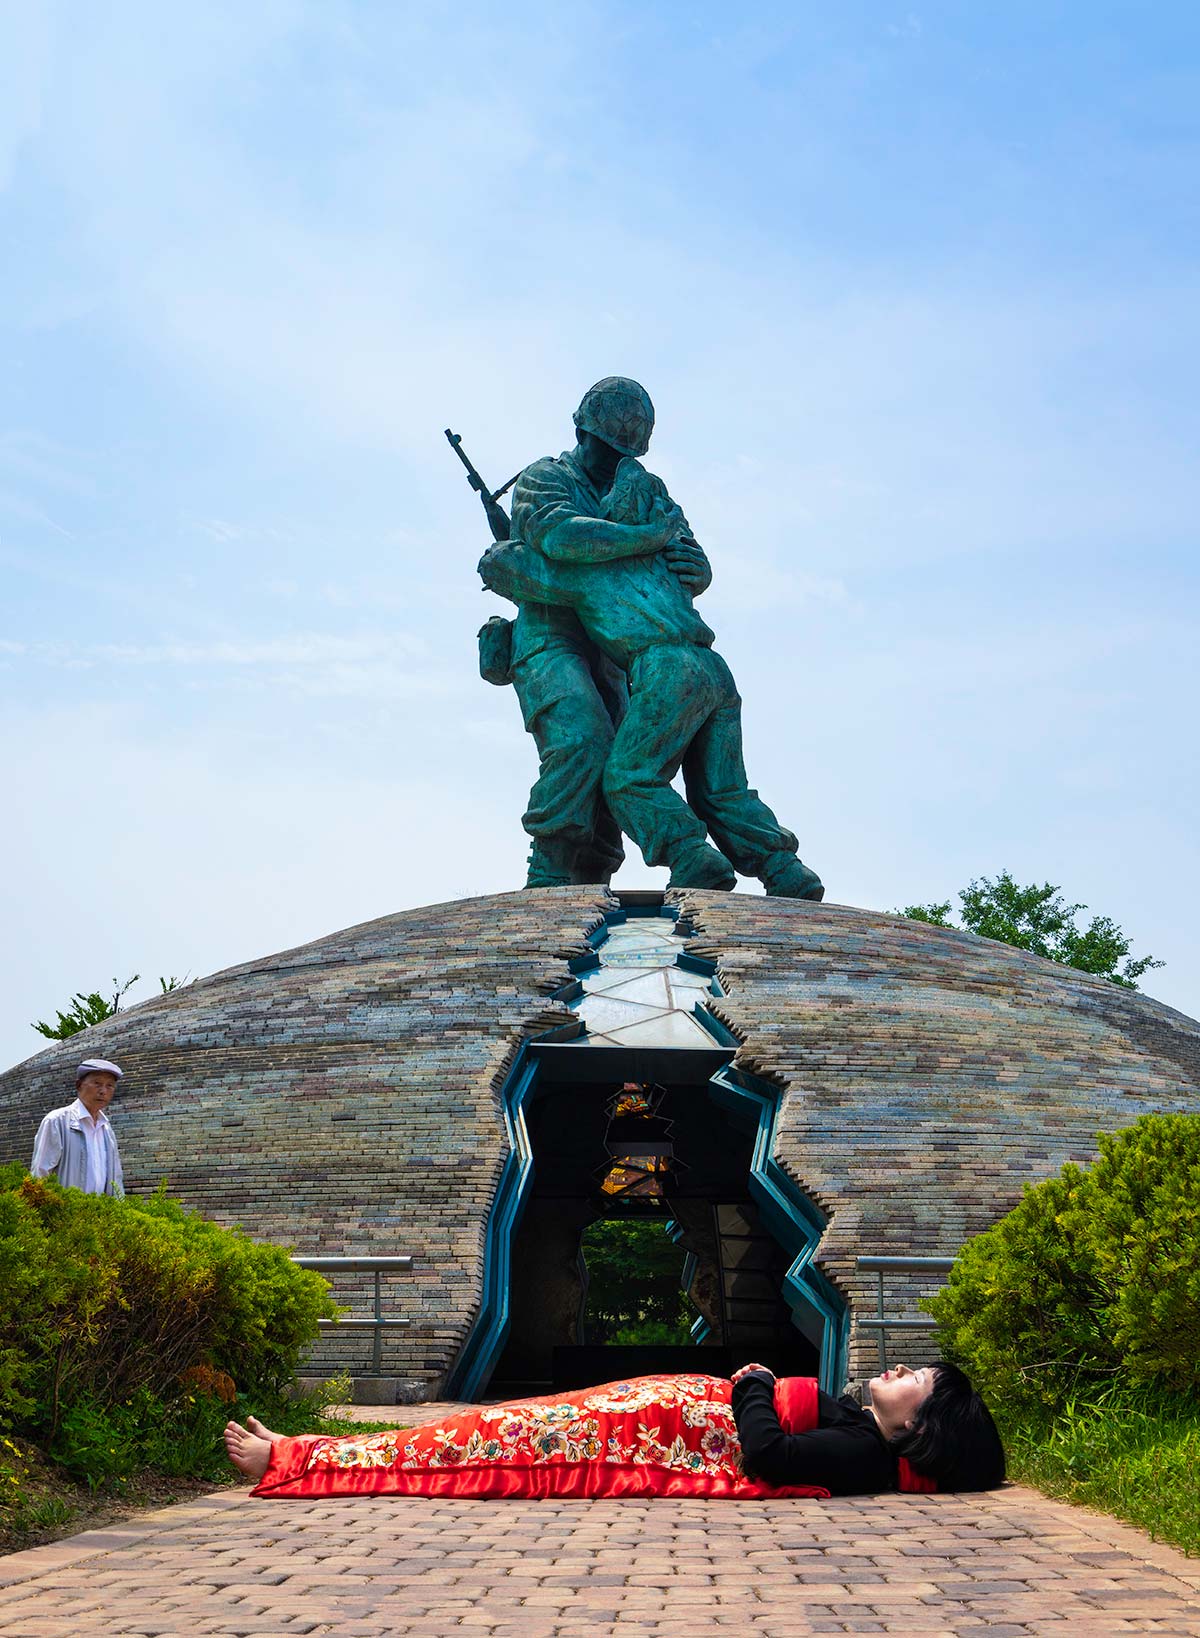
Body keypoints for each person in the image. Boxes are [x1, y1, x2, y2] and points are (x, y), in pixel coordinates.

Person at [480, 377, 824, 898]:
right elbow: (553, 539)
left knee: (628, 768)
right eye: (607, 447)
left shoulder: (644, 490)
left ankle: (655, 859)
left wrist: (691, 564)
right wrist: (647, 542)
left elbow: (689, 558)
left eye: (626, 451)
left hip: (627, 650)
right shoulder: (544, 479)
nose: (615, 460)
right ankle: (552, 870)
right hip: (552, 636)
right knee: (581, 742)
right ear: (581, 432)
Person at [224, 1359, 1004, 1500]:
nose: (901, 1372)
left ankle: (292, 1459)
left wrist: (757, 1385)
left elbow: (767, 1458)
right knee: (479, 1426)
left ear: (918, 1429)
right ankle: (305, 1450)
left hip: (624, 1440)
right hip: (635, 1416)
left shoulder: (863, 1452)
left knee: (470, 1446)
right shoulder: (858, 1419)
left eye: (917, 1383)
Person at [30, 1058, 125, 1196]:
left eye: (109, 1085)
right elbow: (40, 1173)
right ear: (79, 1085)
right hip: (66, 1212)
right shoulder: (57, 1121)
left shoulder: (106, 1129)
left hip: (101, 1213)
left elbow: (116, 1179)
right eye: (97, 1083)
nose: (103, 1091)